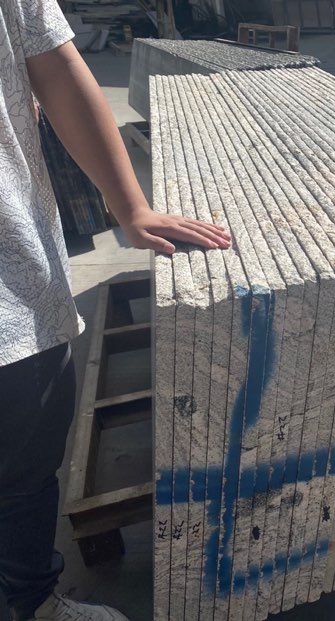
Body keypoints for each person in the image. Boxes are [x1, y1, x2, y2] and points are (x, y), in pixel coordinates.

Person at [0, 1, 231, 619]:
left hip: (11, 284)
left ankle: (32, 601)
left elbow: (55, 67)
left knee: (27, 452)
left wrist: (131, 207)